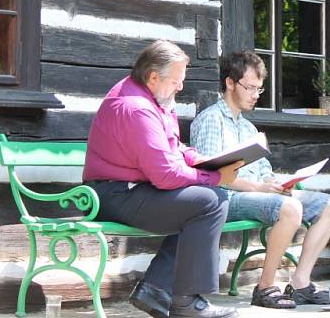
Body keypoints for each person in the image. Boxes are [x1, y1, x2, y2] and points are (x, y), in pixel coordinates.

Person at [83, 40, 241, 318]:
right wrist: (214, 176)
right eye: (176, 80)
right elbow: (166, 175)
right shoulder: (137, 108)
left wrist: (200, 160)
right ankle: (186, 304)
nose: (181, 86)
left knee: (206, 203)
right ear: (154, 77)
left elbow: (171, 147)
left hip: (131, 190)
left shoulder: (151, 97)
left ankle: (156, 290)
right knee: (209, 201)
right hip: (113, 195)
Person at [191, 51, 330, 309]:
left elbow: (263, 171)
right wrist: (260, 188)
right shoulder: (211, 120)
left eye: (259, 89)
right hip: (228, 198)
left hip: (259, 193)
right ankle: (264, 288)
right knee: (290, 208)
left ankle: (301, 282)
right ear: (229, 83)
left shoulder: (248, 128)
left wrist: (280, 184)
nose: (255, 95)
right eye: (250, 87)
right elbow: (212, 176)